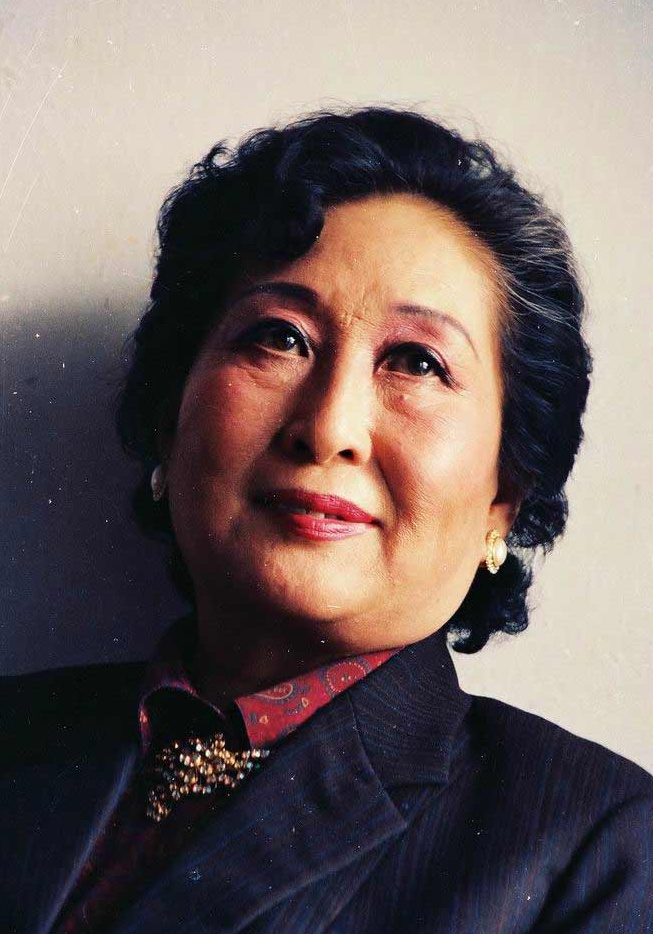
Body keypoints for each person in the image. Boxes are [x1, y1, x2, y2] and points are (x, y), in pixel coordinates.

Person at [1, 107, 651, 934]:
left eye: (417, 362)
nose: (330, 428)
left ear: (506, 494)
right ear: (170, 417)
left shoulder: (599, 844)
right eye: (279, 338)